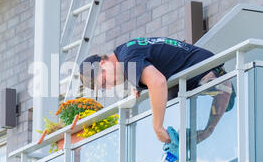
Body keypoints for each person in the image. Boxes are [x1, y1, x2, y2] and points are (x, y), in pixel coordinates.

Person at [79, 37, 234, 144]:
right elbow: (158, 61)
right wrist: (140, 83)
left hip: (209, 78)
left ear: (103, 64)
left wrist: (157, 127)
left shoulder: (127, 61)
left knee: (198, 134)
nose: (109, 87)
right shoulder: (125, 52)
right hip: (205, 77)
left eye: (104, 81)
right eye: (104, 88)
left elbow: (158, 82)